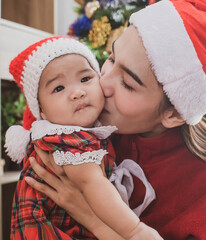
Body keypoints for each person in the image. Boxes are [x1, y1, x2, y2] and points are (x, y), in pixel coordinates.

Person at [25, 0, 206, 239]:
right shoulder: (85, 136)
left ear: (174, 113)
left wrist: (95, 220)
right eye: (111, 58)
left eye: (127, 83)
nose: (102, 83)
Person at [5, 36, 162, 240]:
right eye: (59, 88)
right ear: (41, 111)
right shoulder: (63, 139)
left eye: (85, 79)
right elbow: (92, 183)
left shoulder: (89, 130)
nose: (78, 92)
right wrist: (135, 231)